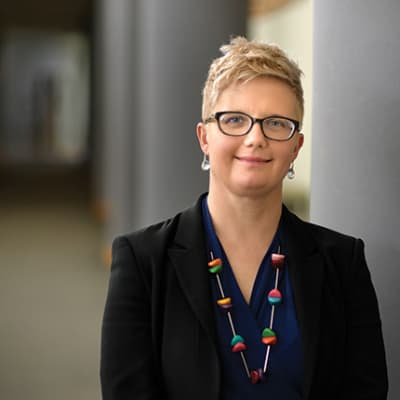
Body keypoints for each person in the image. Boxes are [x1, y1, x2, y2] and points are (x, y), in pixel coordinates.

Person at [100, 36, 388, 400]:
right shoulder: (143, 261)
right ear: (204, 138)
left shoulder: (343, 263)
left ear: (296, 147)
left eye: (276, 123)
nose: (255, 138)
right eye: (235, 119)